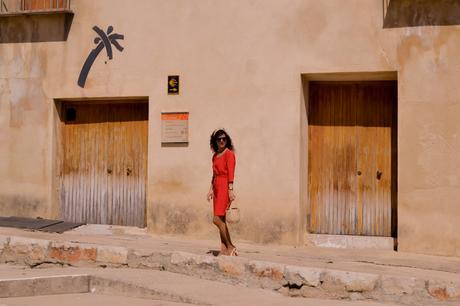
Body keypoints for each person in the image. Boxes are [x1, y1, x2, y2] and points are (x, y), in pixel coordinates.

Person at [207, 129, 238, 256]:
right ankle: (224, 247)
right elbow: (214, 175)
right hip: (216, 188)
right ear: (215, 141)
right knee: (221, 219)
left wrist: (230, 190)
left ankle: (230, 246)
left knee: (216, 219)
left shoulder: (229, 154)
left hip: (225, 186)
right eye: (219, 139)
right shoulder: (215, 156)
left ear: (227, 140)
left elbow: (231, 173)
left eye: (224, 138)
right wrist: (210, 190)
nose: (221, 141)